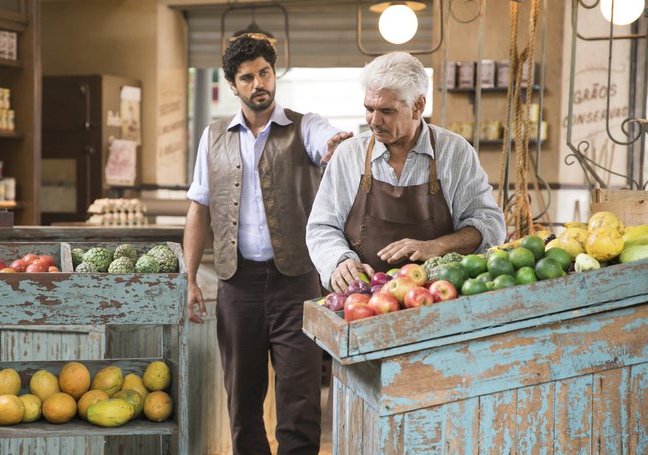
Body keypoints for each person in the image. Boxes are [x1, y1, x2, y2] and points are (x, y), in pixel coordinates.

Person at [183, 33, 352, 455]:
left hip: (296, 283)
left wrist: (335, 147)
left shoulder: (304, 126)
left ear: (274, 74)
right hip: (236, 286)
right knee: (242, 400)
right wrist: (188, 279)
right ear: (233, 84)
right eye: (247, 77)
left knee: (300, 400)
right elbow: (198, 209)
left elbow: (326, 141)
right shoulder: (213, 137)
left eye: (265, 73)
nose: (259, 83)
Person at [306, 52, 506, 293]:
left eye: (387, 111)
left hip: (439, 299)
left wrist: (436, 246)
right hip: (363, 301)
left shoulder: (455, 152)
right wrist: (339, 260)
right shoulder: (349, 155)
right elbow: (322, 226)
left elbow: (490, 225)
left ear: (418, 106)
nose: (374, 121)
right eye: (369, 108)